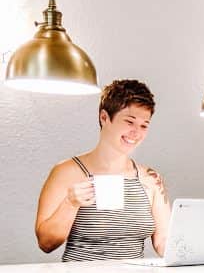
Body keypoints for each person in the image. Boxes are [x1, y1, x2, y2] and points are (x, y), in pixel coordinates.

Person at [36, 79, 171, 261]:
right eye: (129, 122)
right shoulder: (67, 172)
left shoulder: (150, 178)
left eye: (144, 125)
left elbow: (163, 241)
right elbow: (46, 243)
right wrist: (70, 203)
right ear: (104, 118)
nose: (136, 133)